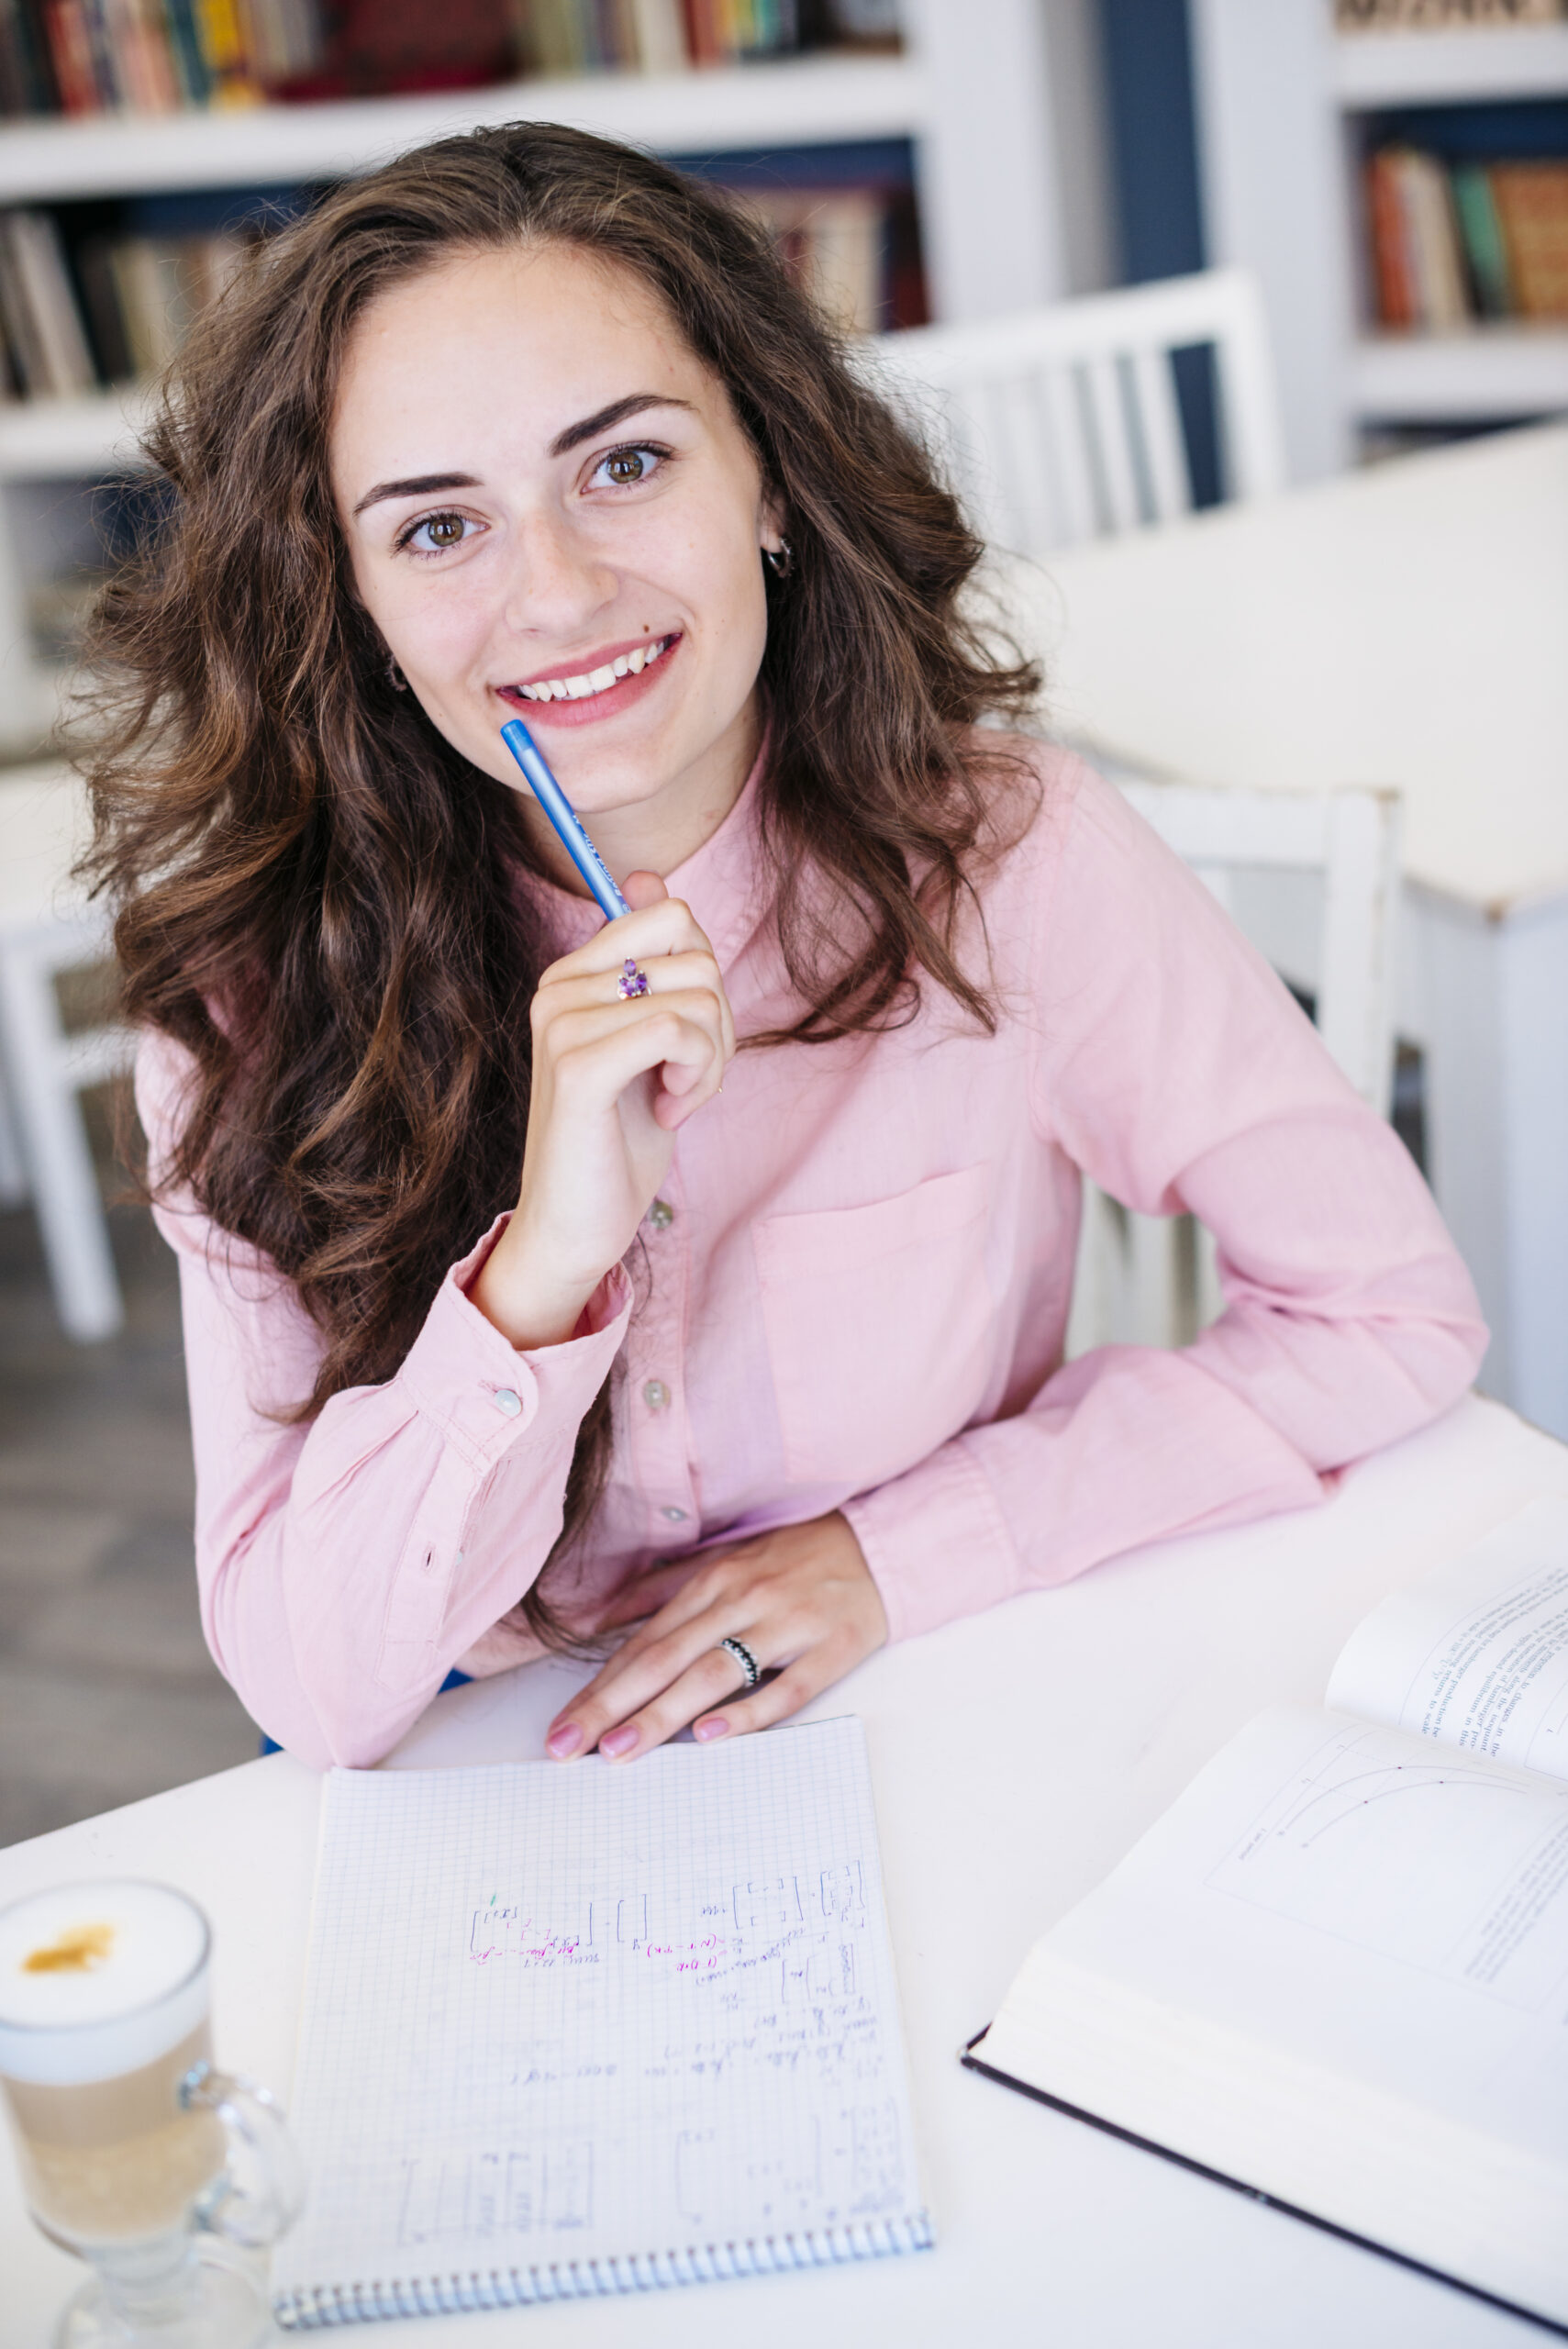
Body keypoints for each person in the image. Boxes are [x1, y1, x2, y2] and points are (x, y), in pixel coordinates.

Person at [83, 124, 1485, 1774]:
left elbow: (1386, 1312)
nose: (555, 594)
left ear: (767, 475)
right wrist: (542, 1269)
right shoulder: (239, 994)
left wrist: (906, 1554)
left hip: (925, 1690)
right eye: (437, 530)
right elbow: (309, 1694)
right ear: (357, 611)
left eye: (622, 465)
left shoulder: (1007, 856)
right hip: (475, 1763)